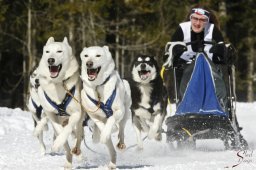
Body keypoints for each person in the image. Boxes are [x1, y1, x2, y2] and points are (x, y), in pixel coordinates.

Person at [163, 4, 229, 112]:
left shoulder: (213, 29)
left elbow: (221, 47)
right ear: (190, 18)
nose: (198, 23)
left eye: (202, 20)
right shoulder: (182, 28)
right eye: (195, 19)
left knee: (215, 77)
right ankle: (185, 107)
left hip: (209, 66)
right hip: (186, 66)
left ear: (207, 21)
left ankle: (220, 107)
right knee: (188, 75)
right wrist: (178, 52)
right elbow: (171, 48)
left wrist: (219, 51)